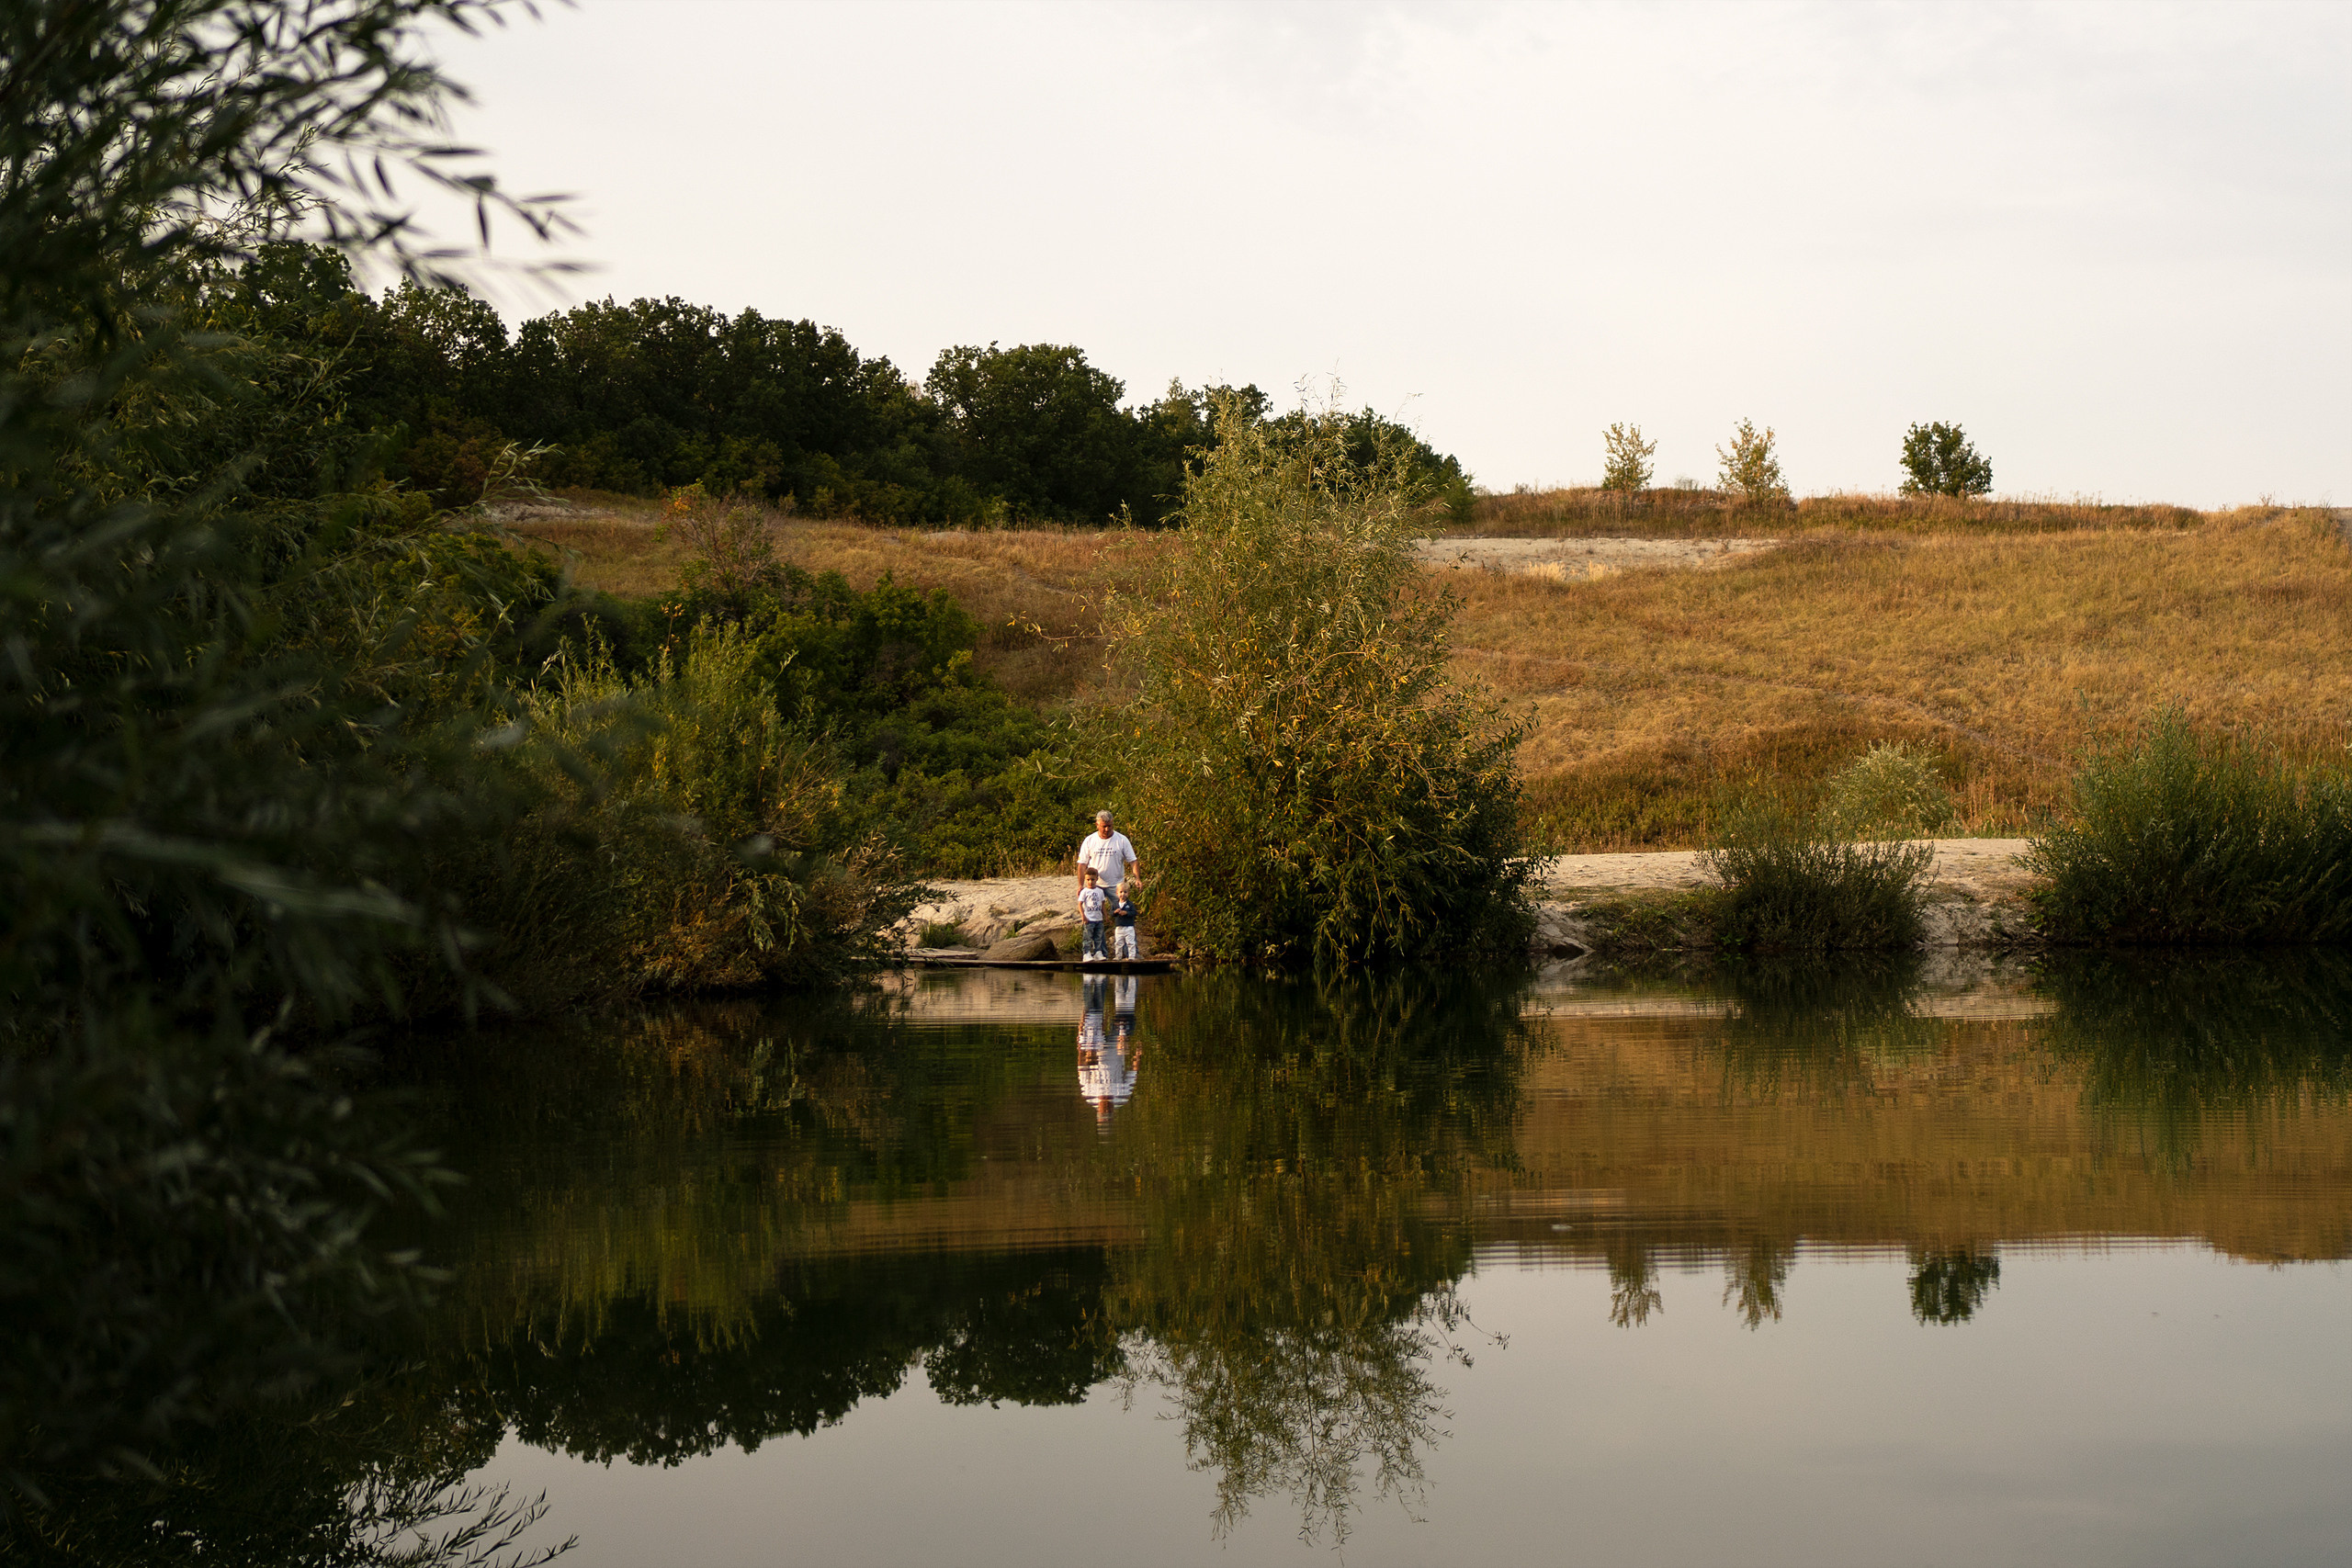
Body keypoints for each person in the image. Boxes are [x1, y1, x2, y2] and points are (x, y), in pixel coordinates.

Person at [1075, 810, 1140, 903]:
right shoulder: (1089, 840)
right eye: (1104, 826)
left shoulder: (1122, 840)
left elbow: (1133, 861)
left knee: (1119, 912)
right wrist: (1080, 885)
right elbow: (1082, 864)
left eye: (1109, 826)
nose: (1107, 829)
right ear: (1097, 825)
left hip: (1116, 886)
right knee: (1093, 913)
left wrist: (1137, 879)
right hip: (1095, 884)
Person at [1076, 868, 1108, 961]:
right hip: (1089, 919)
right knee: (1088, 937)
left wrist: (1105, 916)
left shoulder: (1100, 891)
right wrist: (1083, 915)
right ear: (1085, 880)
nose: (1090, 882)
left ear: (1097, 879)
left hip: (1099, 919)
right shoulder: (1085, 891)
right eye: (1088, 880)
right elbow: (1080, 904)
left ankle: (1098, 952)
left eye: (1092, 879)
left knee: (1098, 937)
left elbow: (1102, 905)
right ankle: (1086, 953)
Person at [1109, 883, 1140, 961]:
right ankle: (1118, 956)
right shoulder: (1115, 904)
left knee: (1130, 942)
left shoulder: (1130, 904)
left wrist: (1126, 913)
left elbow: (1134, 912)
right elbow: (1111, 913)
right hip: (1119, 927)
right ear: (1117, 893)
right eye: (1121, 892)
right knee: (1118, 943)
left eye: (1125, 892)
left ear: (1128, 893)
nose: (1123, 894)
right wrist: (1115, 912)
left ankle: (1132, 956)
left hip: (1129, 926)